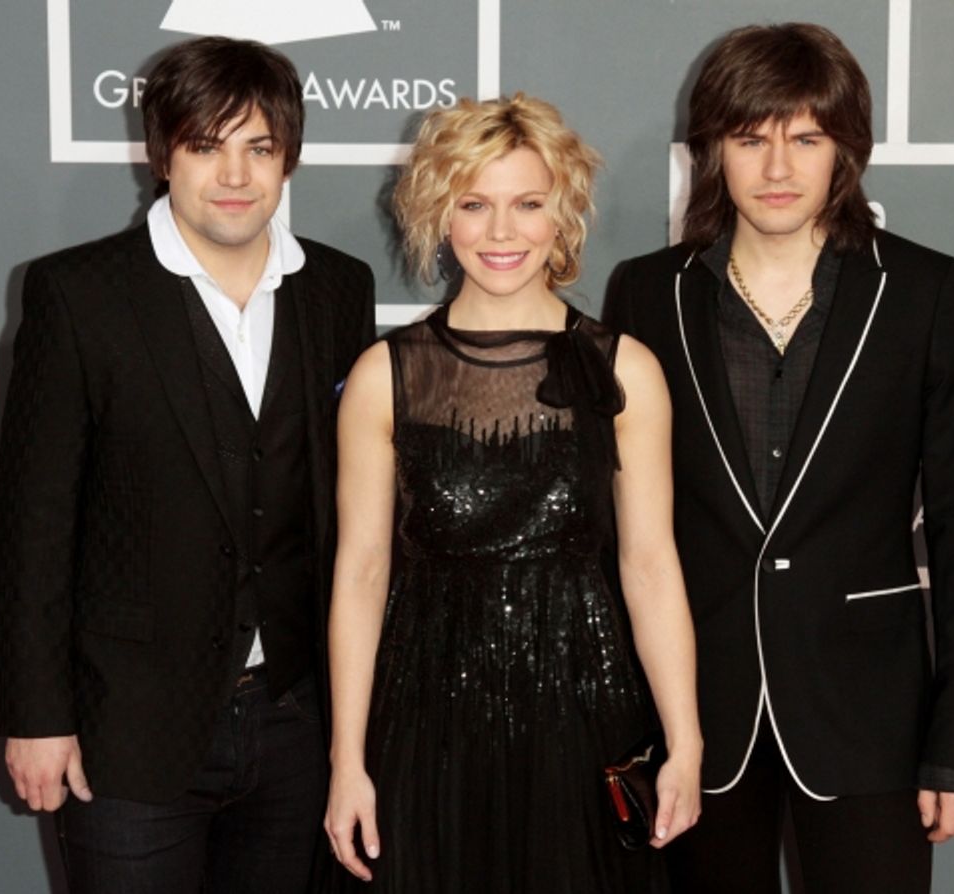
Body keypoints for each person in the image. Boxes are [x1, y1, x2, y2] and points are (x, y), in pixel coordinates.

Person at [604, 22, 954, 894]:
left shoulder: (926, 292)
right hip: (697, 721)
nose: (777, 169)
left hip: (871, 717)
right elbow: (631, 531)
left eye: (806, 139)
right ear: (714, 150)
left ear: (845, 151)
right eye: (750, 140)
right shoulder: (647, 293)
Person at [0, 36, 374, 893]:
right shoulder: (79, 293)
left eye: (259, 147)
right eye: (206, 144)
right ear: (163, 154)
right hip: (127, 726)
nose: (234, 174)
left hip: (295, 722)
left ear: (289, 160)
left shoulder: (338, 290)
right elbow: (34, 519)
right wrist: (36, 718)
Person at [323, 94, 702, 893]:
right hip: (426, 719)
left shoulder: (624, 369)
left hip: (583, 711)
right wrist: (347, 761)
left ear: (561, 213)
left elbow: (651, 566)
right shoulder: (381, 378)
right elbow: (360, 574)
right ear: (438, 212)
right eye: (475, 204)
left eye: (528, 204)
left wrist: (686, 742)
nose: (502, 233)